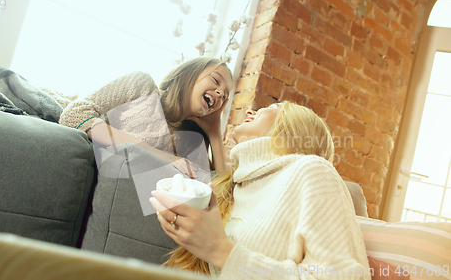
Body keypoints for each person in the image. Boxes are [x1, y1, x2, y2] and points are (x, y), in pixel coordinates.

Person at [149, 101, 370, 279]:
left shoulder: (312, 170)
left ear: (293, 127)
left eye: (273, 107)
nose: (253, 110)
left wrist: (221, 251)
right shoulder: (229, 186)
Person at [59, 57, 233, 176]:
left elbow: (217, 195)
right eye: (216, 80)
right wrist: (156, 154)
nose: (219, 93)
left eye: (225, 96)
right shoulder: (141, 85)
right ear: (190, 73)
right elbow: (74, 115)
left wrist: (215, 134)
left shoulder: (192, 141)